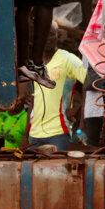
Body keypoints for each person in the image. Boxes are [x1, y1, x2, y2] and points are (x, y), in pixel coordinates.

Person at [26, 21, 87, 152]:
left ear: (58, 37)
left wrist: (78, 111)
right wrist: (25, 136)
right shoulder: (33, 64)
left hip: (59, 133)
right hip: (34, 135)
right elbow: (33, 101)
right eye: (43, 35)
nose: (47, 39)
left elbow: (90, 83)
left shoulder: (68, 59)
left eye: (51, 35)